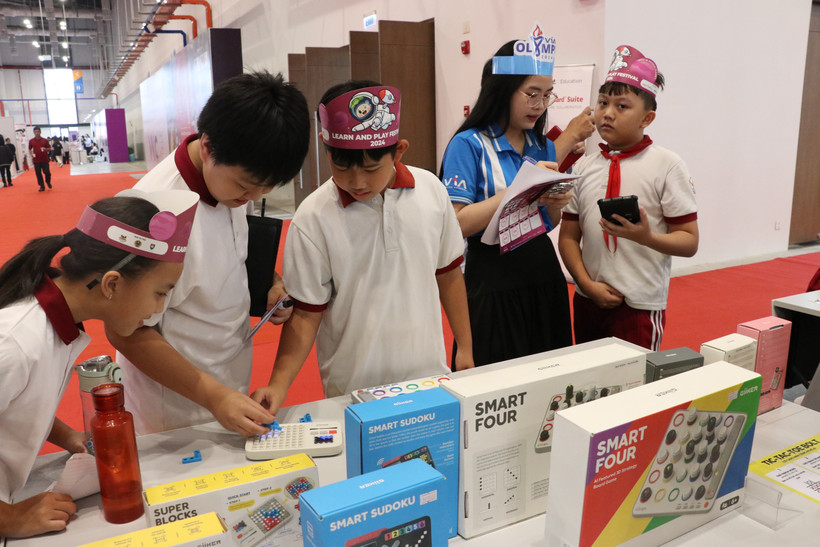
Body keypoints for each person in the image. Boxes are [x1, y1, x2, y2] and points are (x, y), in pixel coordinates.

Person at [108, 71, 310, 436]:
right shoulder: (153, 213)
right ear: (206, 147)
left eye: (264, 189)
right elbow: (125, 332)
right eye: (245, 186)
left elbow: (225, 256)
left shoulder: (230, 181)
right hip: (172, 411)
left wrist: (267, 283)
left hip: (227, 389)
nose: (250, 198)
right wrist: (213, 395)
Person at [252, 80, 474, 413]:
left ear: (398, 151)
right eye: (341, 167)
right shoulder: (313, 218)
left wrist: (465, 348)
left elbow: (449, 274)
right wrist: (278, 385)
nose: (358, 182)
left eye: (371, 169)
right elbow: (305, 314)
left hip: (430, 379)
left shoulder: (431, 191)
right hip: (352, 393)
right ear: (327, 153)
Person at [0, 188, 198, 540]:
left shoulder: (55, 326)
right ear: (112, 284)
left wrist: (68, 437)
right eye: (160, 292)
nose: (158, 309)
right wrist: (9, 519)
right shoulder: (15, 342)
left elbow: (17, 401)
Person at [439, 31, 594, 367]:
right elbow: (455, 222)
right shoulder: (468, 145)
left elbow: (545, 223)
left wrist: (555, 202)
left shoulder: (541, 145)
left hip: (541, 271)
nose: (539, 105)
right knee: (493, 379)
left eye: (547, 95)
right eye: (531, 93)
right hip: (490, 276)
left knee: (546, 374)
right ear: (503, 90)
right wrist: (518, 188)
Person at [558, 45, 698, 351]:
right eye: (603, 102)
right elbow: (568, 238)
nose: (607, 113)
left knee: (636, 391)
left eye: (622, 106)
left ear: (647, 118)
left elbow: (689, 241)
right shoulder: (582, 166)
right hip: (587, 300)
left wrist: (646, 236)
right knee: (586, 386)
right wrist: (586, 285)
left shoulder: (667, 165)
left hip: (640, 306)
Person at [28, 127, 52, 191]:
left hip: (45, 159)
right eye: (35, 132)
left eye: (38, 132)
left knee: (47, 172)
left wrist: (45, 149)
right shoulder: (31, 141)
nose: (37, 133)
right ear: (33, 132)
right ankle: (42, 186)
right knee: (38, 173)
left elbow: (50, 148)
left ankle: (48, 181)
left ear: (40, 132)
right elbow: (29, 149)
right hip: (36, 160)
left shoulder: (45, 140)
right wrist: (32, 154)